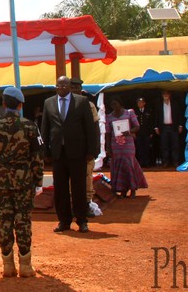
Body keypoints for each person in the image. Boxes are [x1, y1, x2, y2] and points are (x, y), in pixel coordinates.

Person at [0, 86, 42, 278]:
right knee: (23, 220)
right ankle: (25, 265)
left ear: (3, 104)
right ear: (20, 104)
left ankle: (7, 265)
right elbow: (37, 156)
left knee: (5, 220)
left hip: (1, 180)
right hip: (24, 180)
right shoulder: (30, 126)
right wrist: (38, 180)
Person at [41, 75, 96, 233]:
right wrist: (45, 151)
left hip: (78, 152)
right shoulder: (48, 103)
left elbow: (90, 129)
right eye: (59, 85)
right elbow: (45, 128)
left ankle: (82, 220)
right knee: (60, 188)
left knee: (79, 188)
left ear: (70, 86)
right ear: (56, 87)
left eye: (65, 85)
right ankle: (64, 221)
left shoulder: (81, 102)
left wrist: (91, 151)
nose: (62, 88)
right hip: (58, 153)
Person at [105, 98, 148, 197]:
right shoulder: (109, 117)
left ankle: (133, 189)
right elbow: (108, 133)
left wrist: (129, 132)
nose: (114, 107)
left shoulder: (129, 113)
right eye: (112, 105)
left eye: (115, 104)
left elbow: (137, 127)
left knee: (129, 164)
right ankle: (122, 189)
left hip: (128, 143)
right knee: (118, 165)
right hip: (115, 144)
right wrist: (108, 148)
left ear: (120, 103)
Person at [70, 78, 100, 219]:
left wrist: (94, 149)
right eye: (72, 87)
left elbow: (95, 128)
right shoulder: (63, 105)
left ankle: (86, 204)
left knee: (87, 177)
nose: (74, 90)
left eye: (77, 88)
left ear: (81, 90)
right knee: (71, 178)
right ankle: (72, 205)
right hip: (70, 149)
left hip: (85, 149)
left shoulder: (89, 106)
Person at [155, 90, 184, 168]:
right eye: (164, 94)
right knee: (164, 145)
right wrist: (156, 127)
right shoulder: (159, 105)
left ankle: (175, 161)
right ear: (162, 95)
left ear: (170, 95)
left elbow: (179, 115)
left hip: (173, 127)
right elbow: (156, 116)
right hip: (163, 127)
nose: (165, 95)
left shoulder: (175, 104)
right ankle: (165, 162)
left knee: (175, 145)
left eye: (167, 94)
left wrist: (180, 125)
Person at [133, 97, 154, 168]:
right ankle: (140, 162)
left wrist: (151, 132)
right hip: (138, 133)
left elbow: (151, 122)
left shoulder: (148, 111)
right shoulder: (135, 112)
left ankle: (147, 162)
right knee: (139, 148)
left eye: (141, 102)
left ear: (144, 103)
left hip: (146, 132)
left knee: (147, 148)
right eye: (138, 103)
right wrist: (133, 132)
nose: (140, 104)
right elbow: (132, 123)